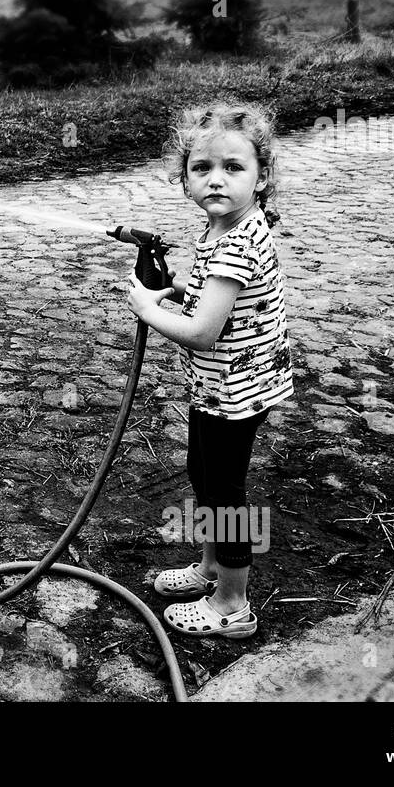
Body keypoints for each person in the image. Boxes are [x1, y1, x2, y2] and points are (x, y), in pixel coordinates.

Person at [125, 102, 295, 639]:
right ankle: (208, 570)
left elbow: (201, 331)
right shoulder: (223, 230)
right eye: (202, 169)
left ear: (261, 177)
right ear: (184, 179)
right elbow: (214, 298)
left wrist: (150, 309)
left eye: (233, 168)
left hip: (236, 392)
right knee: (205, 479)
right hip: (218, 388)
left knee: (225, 494)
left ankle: (233, 605)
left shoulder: (237, 243)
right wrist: (177, 289)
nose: (216, 180)